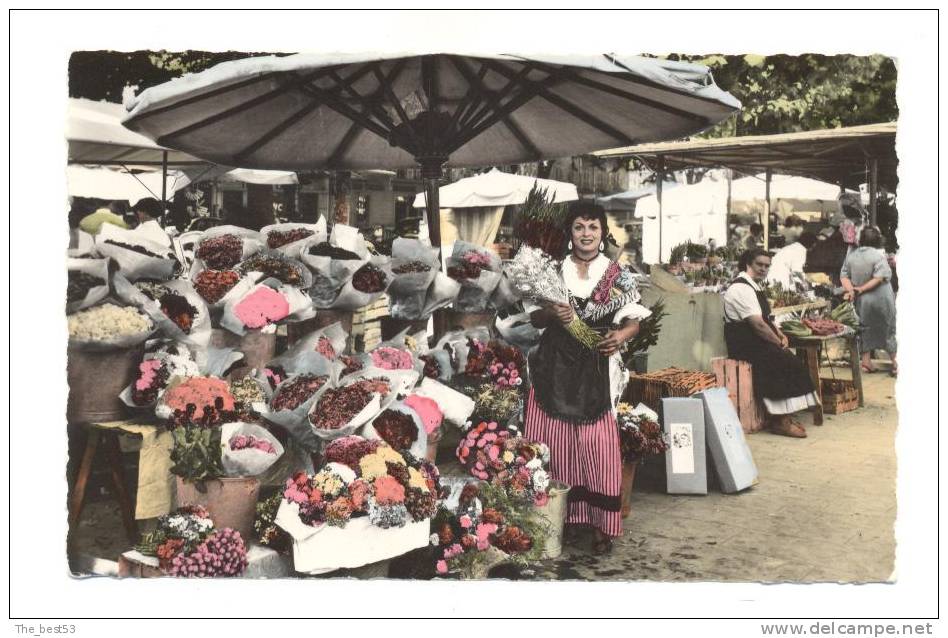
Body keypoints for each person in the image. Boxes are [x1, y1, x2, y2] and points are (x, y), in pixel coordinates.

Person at [524, 201, 651, 555]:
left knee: (598, 446)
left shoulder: (617, 274)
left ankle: (602, 525)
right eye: (579, 227)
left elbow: (634, 320)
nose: (586, 234)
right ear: (570, 233)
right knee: (551, 441)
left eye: (593, 227)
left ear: (602, 232)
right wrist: (550, 312)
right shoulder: (551, 270)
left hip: (596, 366)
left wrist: (620, 337)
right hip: (552, 367)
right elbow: (533, 319)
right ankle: (551, 519)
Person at [722, 249, 820, 438]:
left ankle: (784, 416)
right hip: (744, 343)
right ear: (748, 264)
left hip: (755, 340)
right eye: (759, 264)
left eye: (767, 266)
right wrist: (776, 342)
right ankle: (780, 421)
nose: (763, 269)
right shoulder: (741, 288)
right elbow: (757, 324)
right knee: (781, 363)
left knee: (790, 362)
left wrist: (780, 334)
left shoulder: (754, 286)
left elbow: (766, 319)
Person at [841, 227, 897, 376]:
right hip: (881, 298)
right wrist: (862, 289)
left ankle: (866, 362)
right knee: (888, 329)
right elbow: (878, 279)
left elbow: (844, 276)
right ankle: (895, 363)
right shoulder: (878, 257)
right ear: (878, 239)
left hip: (863, 301)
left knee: (864, 329)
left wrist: (853, 290)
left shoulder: (851, 256)